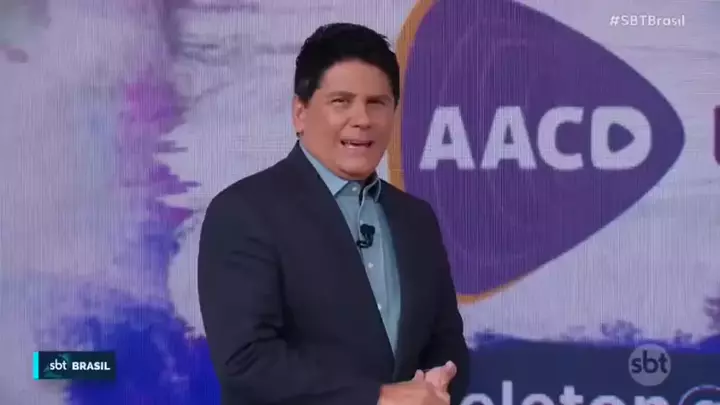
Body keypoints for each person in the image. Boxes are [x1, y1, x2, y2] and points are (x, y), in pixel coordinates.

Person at [198, 22, 469, 405]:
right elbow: (247, 361)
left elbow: (446, 344)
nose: (362, 119)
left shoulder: (416, 219)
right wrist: (379, 398)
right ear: (300, 113)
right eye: (341, 101)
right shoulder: (244, 212)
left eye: (377, 103)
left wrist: (437, 387)